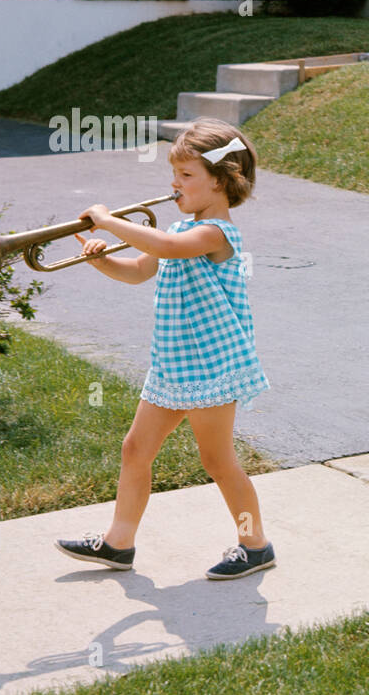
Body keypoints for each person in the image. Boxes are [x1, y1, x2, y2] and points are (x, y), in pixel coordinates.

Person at [55, 120, 274, 579]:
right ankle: (118, 543)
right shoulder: (178, 227)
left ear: (223, 179)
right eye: (174, 175)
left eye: (187, 176)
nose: (175, 185)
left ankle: (256, 545)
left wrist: (109, 220)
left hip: (213, 365)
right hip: (172, 364)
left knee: (217, 461)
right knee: (135, 449)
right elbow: (137, 270)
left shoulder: (215, 234)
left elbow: (168, 247)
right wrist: (100, 259)